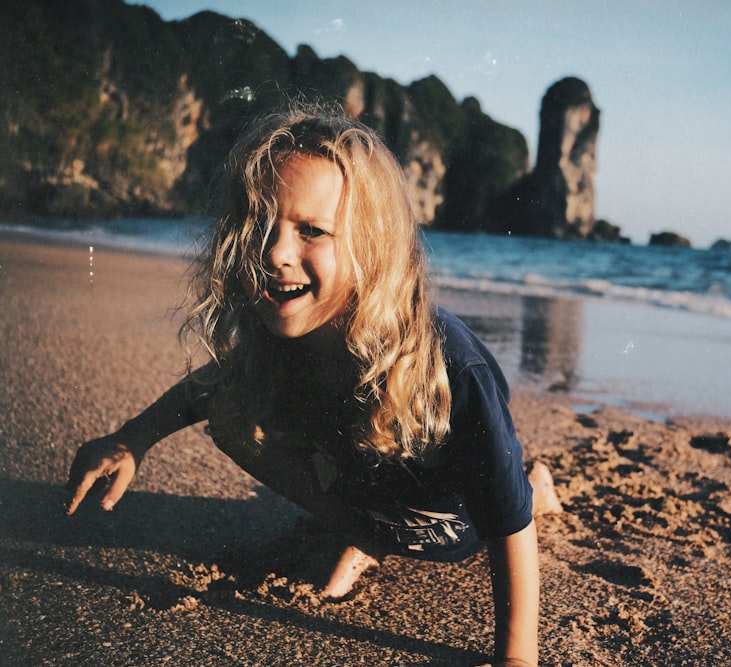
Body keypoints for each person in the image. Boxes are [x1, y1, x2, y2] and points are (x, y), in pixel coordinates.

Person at [64, 104, 560, 667]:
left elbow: (508, 526)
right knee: (235, 410)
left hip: (456, 526)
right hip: (372, 500)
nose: (275, 254)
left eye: (312, 231)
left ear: (372, 248)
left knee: (513, 495)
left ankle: (537, 483)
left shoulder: (449, 365)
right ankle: (362, 534)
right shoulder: (288, 336)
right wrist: (133, 439)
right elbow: (208, 388)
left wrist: (517, 657)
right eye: (260, 226)